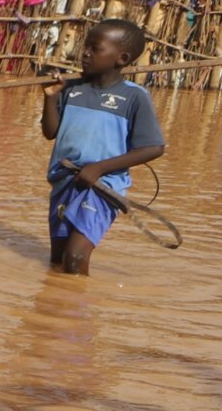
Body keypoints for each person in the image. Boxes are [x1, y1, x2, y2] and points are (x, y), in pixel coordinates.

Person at [40, 17, 167, 276]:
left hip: (102, 186)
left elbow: (153, 147)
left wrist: (99, 168)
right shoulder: (71, 88)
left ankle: (76, 311)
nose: (84, 53)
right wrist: (50, 98)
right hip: (66, 181)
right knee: (57, 259)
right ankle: (54, 309)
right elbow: (50, 132)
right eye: (86, 46)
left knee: (75, 256)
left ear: (121, 59)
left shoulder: (133, 97)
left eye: (95, 49)